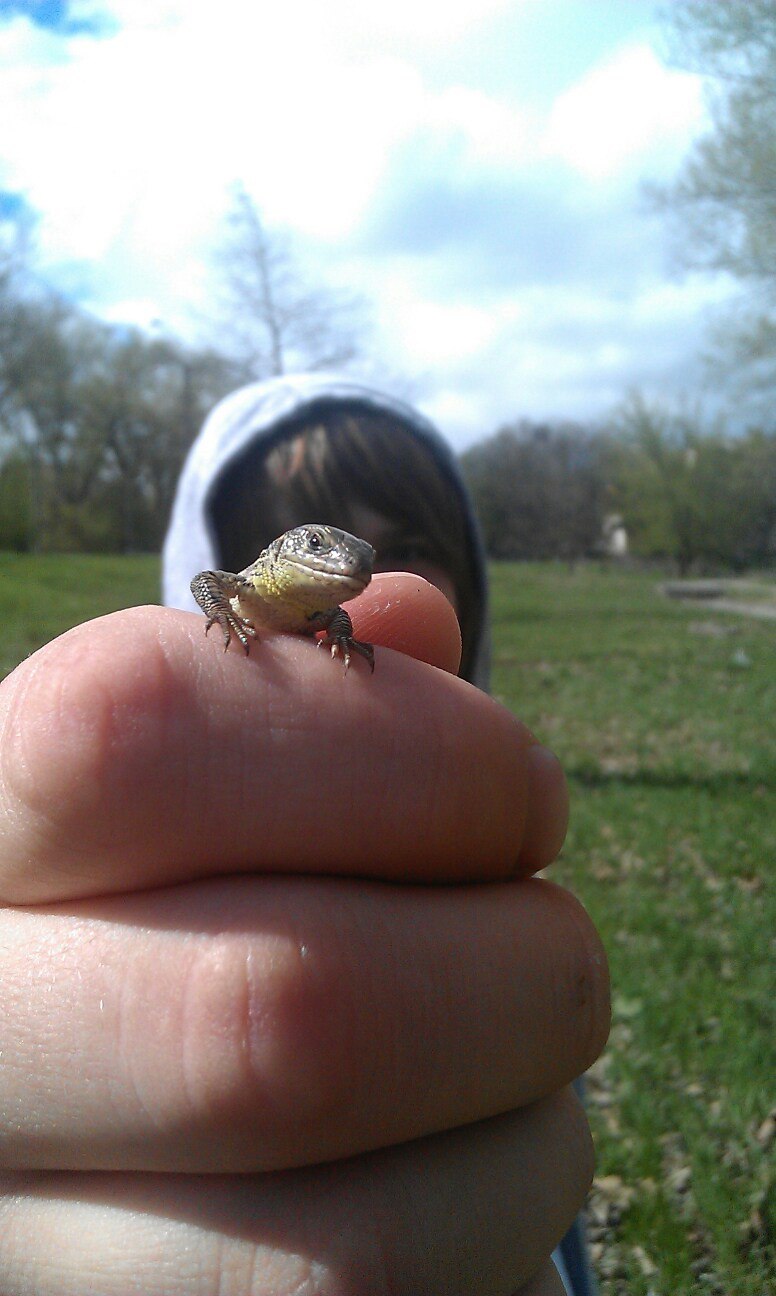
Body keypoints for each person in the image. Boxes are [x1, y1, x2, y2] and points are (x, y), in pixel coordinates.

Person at [0, 374, 609, 1295]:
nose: (358, 570)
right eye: (330, 541)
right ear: (285, 549)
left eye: (389, 551)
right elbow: (214, 587)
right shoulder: (238, 590)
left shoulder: (344, 631)